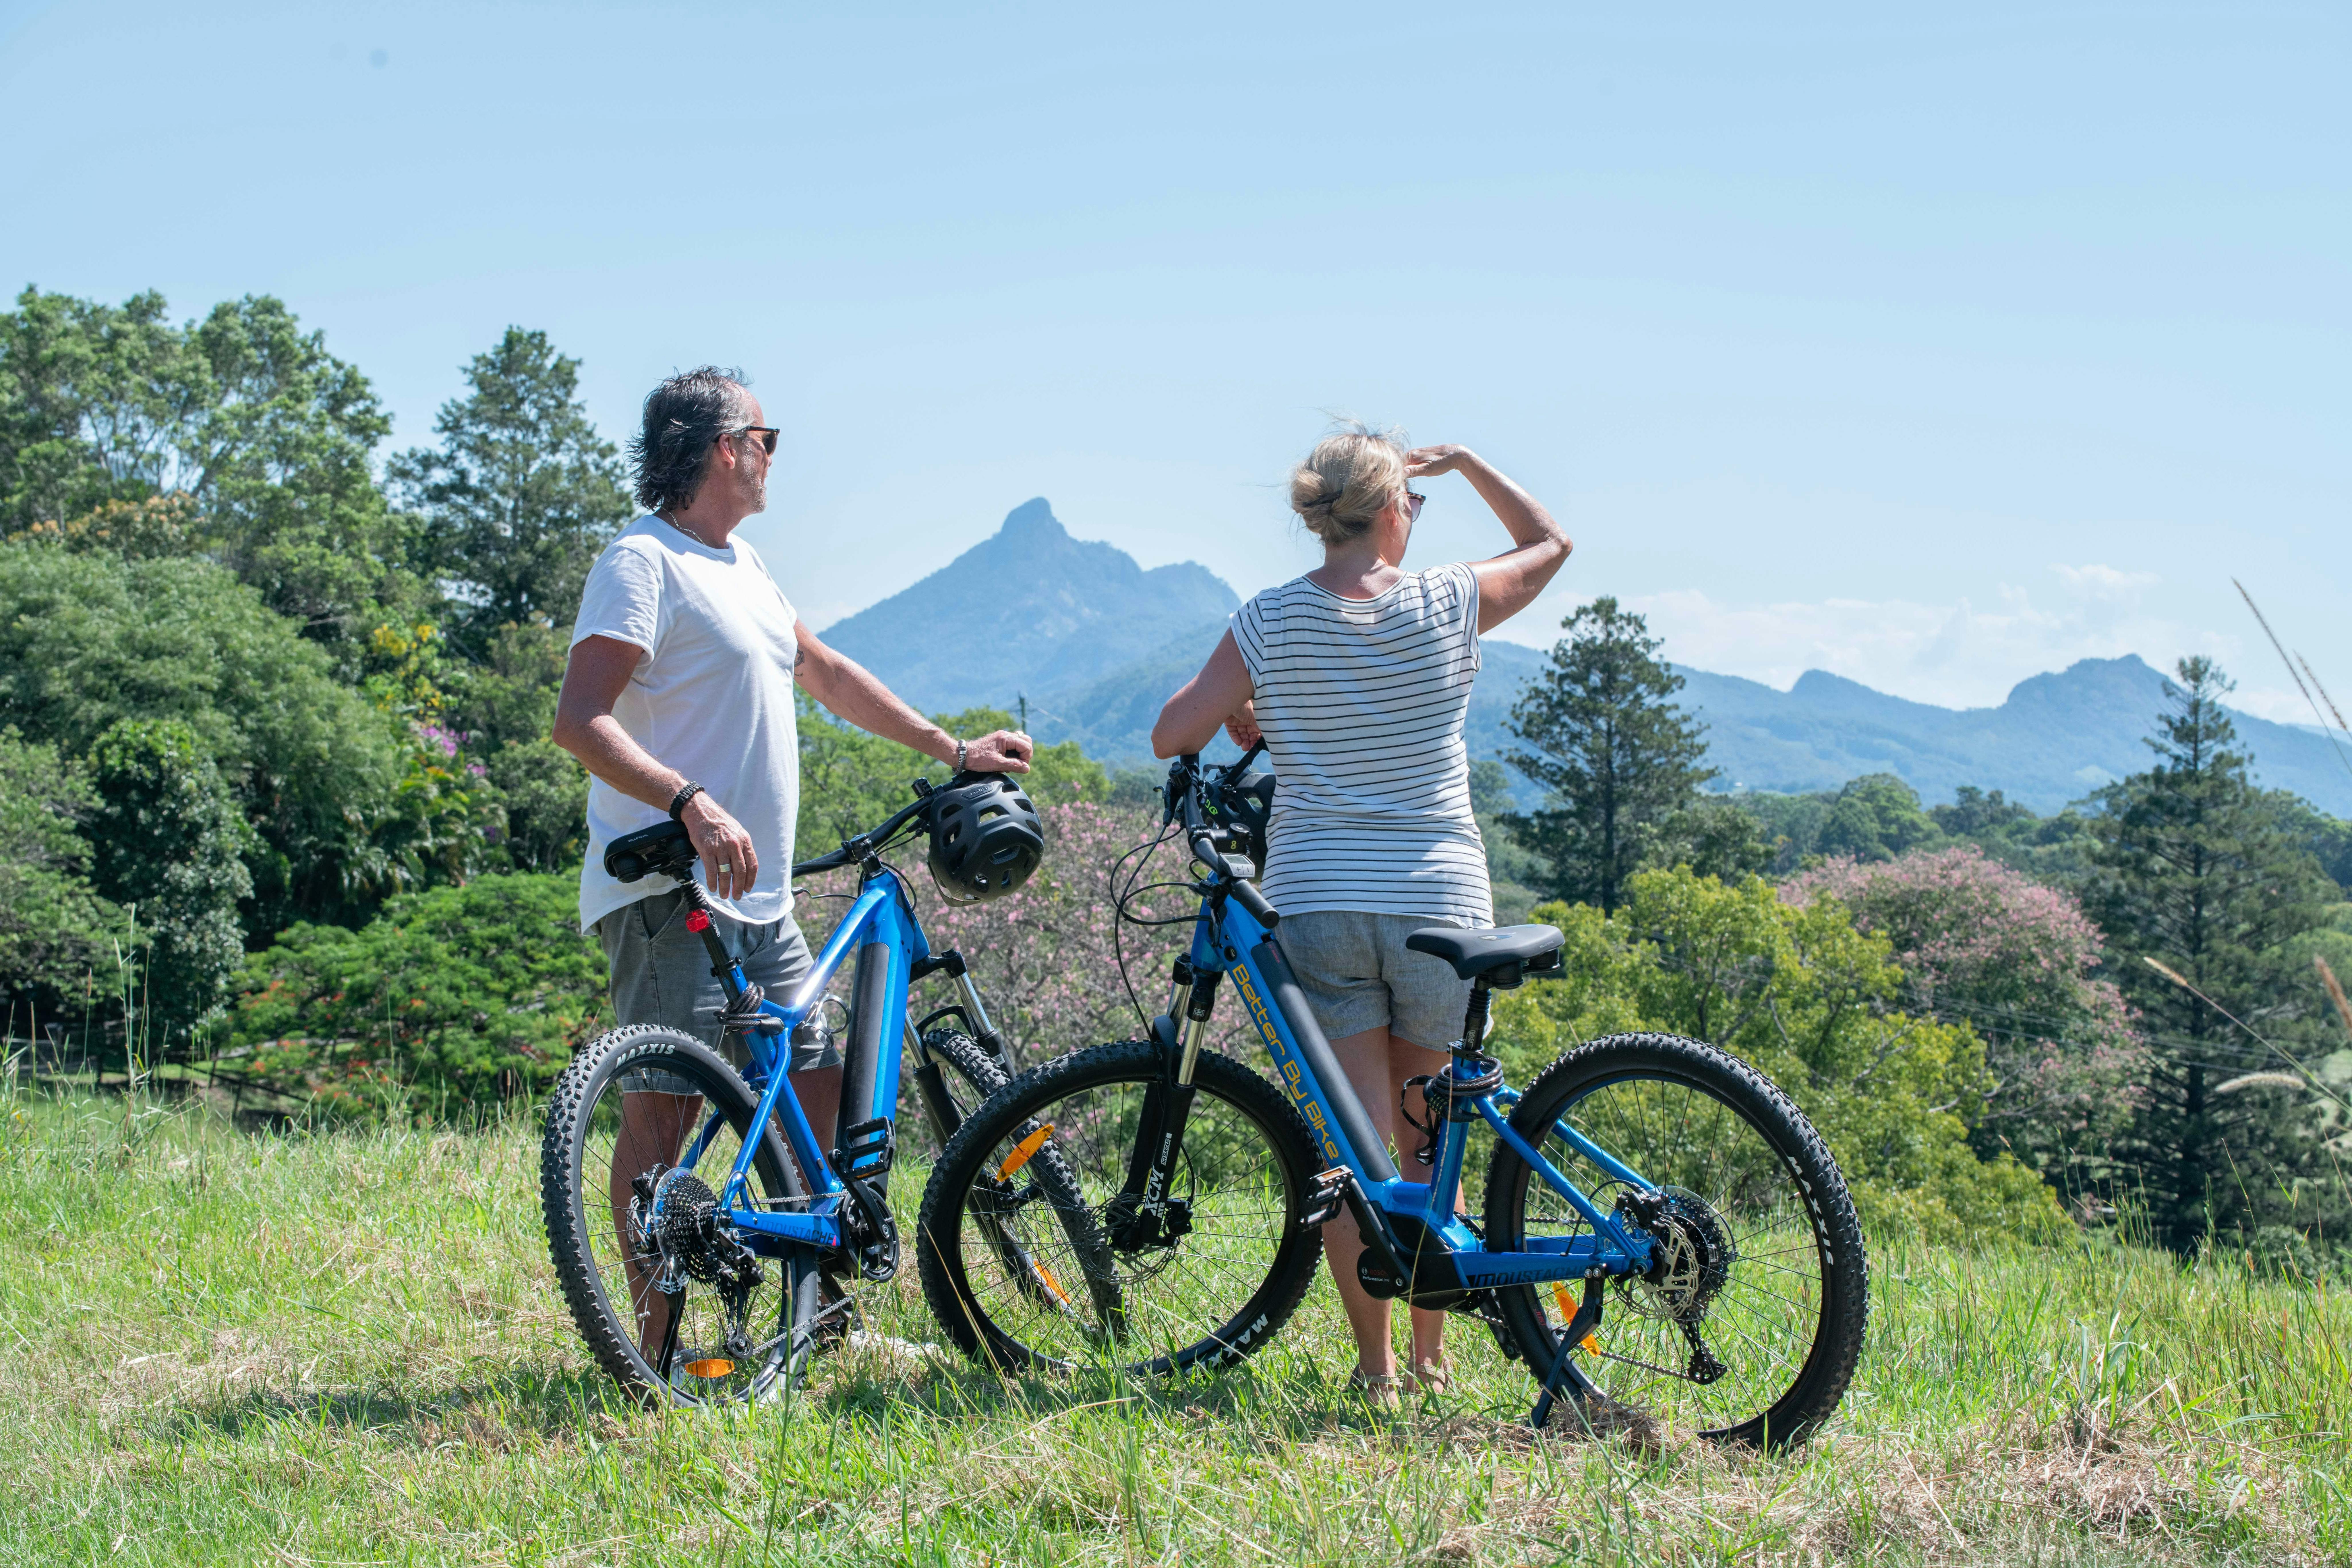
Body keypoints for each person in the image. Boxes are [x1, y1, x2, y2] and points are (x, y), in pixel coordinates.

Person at [551, 365, 1031, 1349]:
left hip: (763, 901)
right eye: (768, 440)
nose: (774, 459)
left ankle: (828, 1324)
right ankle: (653, 1351)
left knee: (814, 1098)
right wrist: (687, 801)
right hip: (668, 888)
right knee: (665, 1116)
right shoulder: (643, 562)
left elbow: (827, 675)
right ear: (727, 447)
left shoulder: (747, 567)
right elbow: (580, 720)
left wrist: (952, 752)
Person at [1150, 423, 1570, 1402]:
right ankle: (1431, 1365)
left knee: (1361, 1152)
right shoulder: (1447, 600)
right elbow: (1550, 544)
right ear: (1393, 509)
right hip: (1439, 904)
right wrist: (1465, 462)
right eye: (1414, 501)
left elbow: (1175, 730)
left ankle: (1375, 1373)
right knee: (1433, 1142)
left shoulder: (1271, 622)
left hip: (1319, 902)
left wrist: (1254, 705)